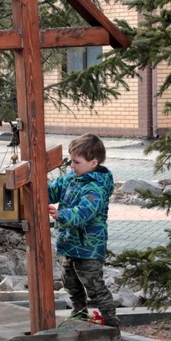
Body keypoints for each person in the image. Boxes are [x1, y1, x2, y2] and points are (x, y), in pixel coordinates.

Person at [47, 133, 118, 327]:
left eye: (77, 162)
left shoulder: (96, 187)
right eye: (71, 160)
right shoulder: (70, 179)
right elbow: (52, 191)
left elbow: (85, 212)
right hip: (69, 243)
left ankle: (111, 323)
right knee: (70, 283)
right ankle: (79, 314)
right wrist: (37, 186)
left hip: (89, 247)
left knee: (94, 287)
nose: (72, 165)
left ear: (93, 163)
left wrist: (61, 215)